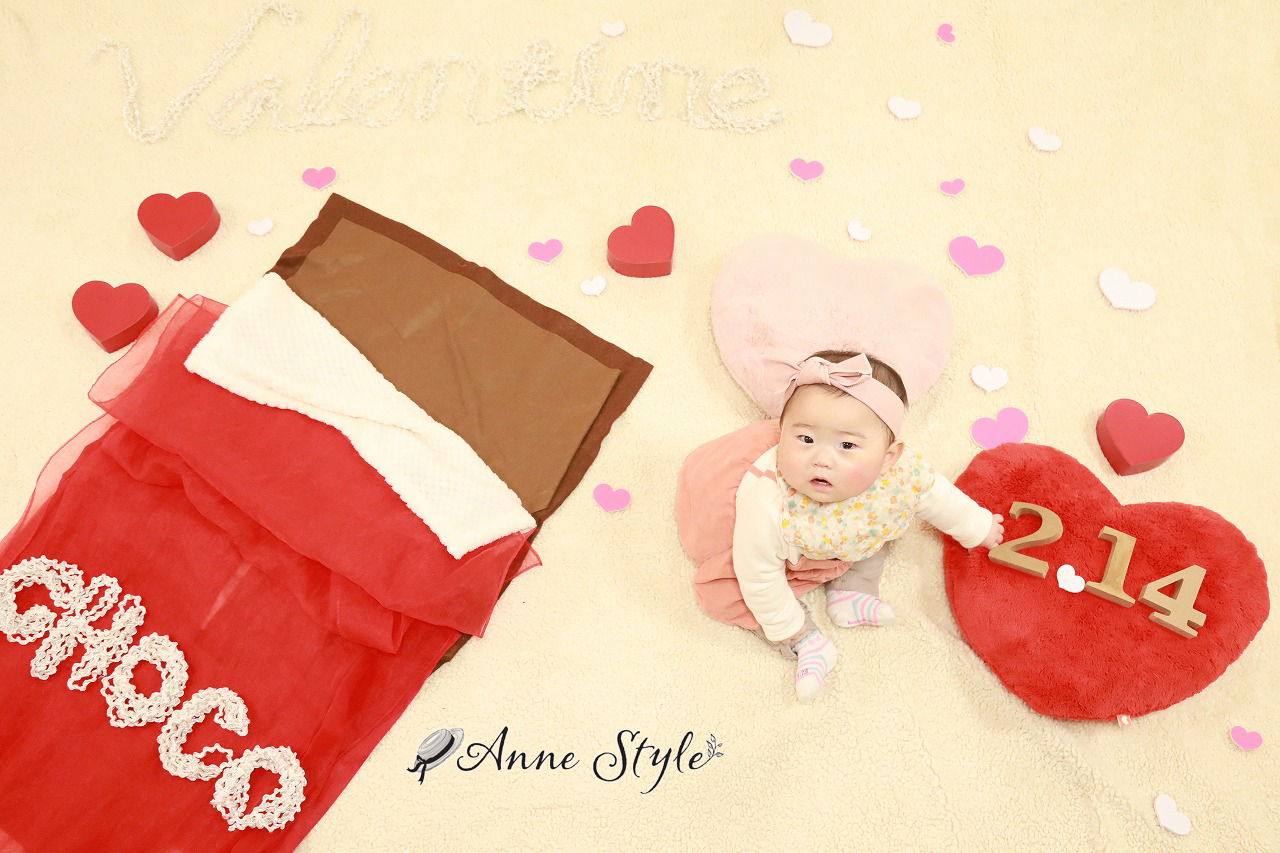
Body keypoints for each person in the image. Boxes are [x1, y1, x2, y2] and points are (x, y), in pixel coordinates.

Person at [730, 350, 1005, 701]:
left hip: (852, 536)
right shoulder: (768, 502)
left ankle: (852, 590)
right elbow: (758, 575)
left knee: (881, 534)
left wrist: (977, 526)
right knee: (736, 598)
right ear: (782, 433)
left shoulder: (898, 475)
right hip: (792, 553)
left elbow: (936, 496)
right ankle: (808, 644)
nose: (821, 459)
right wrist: (790, 629)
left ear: (888, 457)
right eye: (805, 439)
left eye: (847, 445)